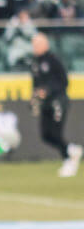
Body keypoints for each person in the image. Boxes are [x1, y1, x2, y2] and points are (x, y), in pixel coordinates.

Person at [30, 33, 82, 177]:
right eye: (34, 44)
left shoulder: (53, 60)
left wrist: (48, 90)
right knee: (46, 135)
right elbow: (36, 84)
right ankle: (71, 149)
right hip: (46, 103)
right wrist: (34, 98)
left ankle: (68, 160)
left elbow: (64, 81)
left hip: (58, 102)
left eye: (37, 44)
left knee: (56, 133)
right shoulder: (34, 63)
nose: (35, 47)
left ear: (45, 45)